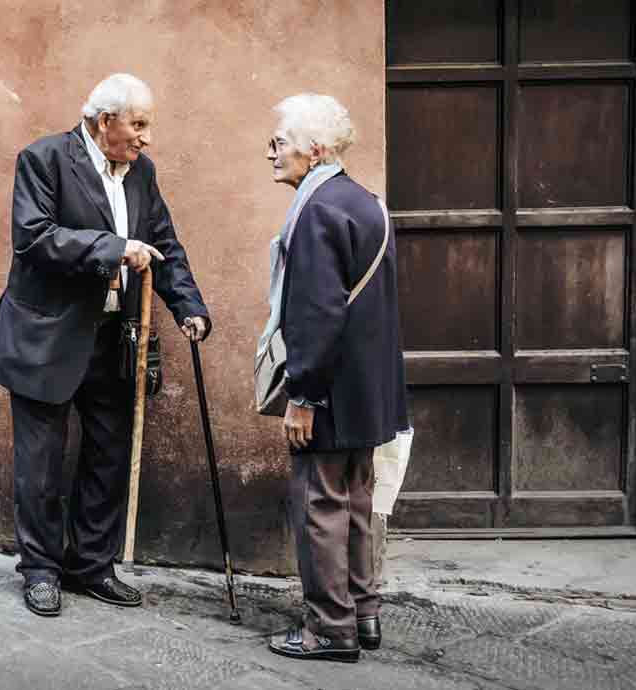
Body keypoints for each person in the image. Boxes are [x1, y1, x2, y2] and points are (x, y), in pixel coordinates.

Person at [0, 73, 211, 617]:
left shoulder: (143, 173)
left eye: (146, 125)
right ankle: (40, 569)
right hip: (47, 336)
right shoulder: (43, 160)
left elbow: (164, 244)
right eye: (138, 124)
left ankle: (91, 565)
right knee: (39, 464)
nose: (146, 137)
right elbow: (35, 237)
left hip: (114, 338)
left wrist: (190, 307)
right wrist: (113, 248)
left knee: (108, 457)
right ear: (104, 120)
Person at [260, 94, 408, 662]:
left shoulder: (317, 209)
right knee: (356, 500)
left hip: (329, 392)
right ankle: (363, 614)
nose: (272, 152)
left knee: (320, 504)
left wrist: (303, 395)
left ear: (314, 149)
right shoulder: (367, 202)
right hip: (367, 392)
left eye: (280, 142)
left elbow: (317, 313)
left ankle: (329, 629)